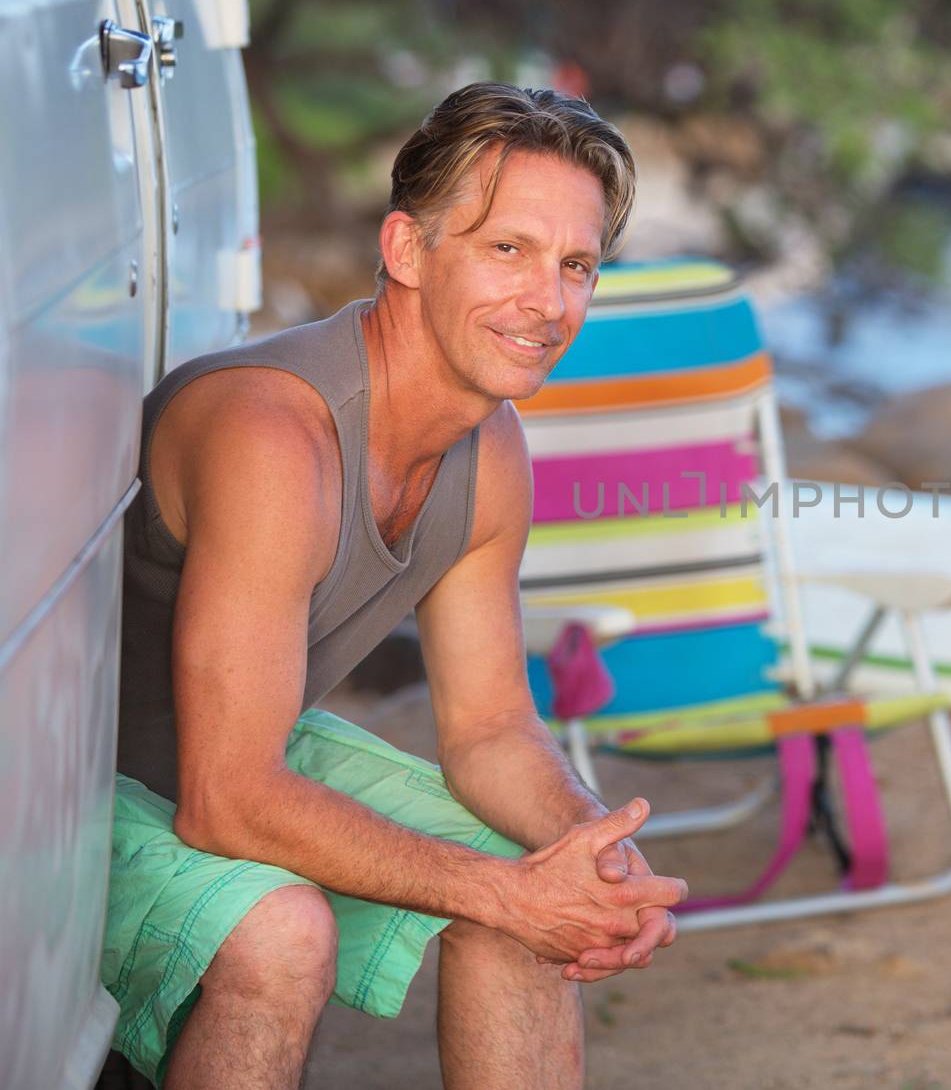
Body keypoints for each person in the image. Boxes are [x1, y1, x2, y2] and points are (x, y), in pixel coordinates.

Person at [100, 83, 686, 1089]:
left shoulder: (488, 447)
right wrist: (503, 891)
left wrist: (590, 850)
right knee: (283, 932)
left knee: (541, 878)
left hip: (232, 746)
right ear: (408, 251)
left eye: (575, 264)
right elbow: (227, 798)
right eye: (507, 249)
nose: (548, 302)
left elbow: (491, 726)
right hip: (66, 782)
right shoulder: (273, 435)